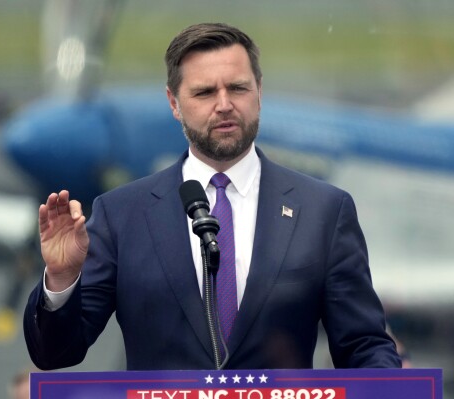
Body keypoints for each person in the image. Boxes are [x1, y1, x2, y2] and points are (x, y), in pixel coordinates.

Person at [23, 22, 402, 370]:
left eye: (237, 88)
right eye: (204, 92)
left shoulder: (323, 210)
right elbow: (56, 353)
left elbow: (363, 345)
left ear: (259, 92)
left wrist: (393, 388)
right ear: (174, 103)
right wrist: (61, 279)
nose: (224, 105)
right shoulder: (122, 214)